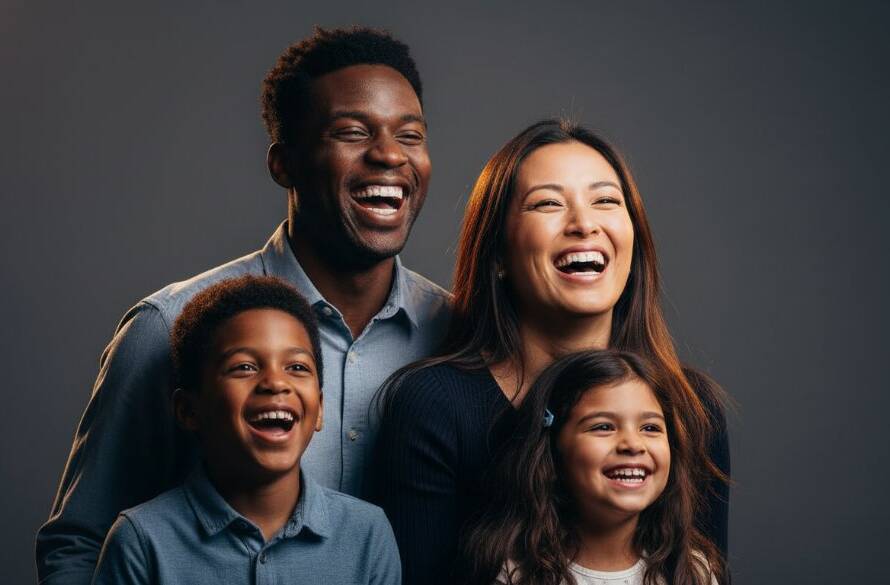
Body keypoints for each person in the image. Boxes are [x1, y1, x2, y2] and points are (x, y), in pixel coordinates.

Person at [37, 27, 449, 585]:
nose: (389, 154)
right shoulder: (169, 329)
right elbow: (79, 545)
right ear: (284, 164)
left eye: (410, 135)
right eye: (352, 132)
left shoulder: (461, 333)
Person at [370, 119, 729, 585]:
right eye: (548, 204)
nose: (584, 224)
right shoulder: (435, 406)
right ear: (498, 254)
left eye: (605, 201)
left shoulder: (691, 410)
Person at [92, 275, 401, 585]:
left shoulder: (367, 535)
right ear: (188, 410)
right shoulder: (141, 541)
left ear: (319, 408)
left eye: (296, 367)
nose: (276, 383)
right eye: (244, 367)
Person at [458, 349, 725, 585]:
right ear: (553, 448)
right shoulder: (515, 575)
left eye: (650, 428)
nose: (633, 444)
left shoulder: (692, 572)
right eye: (603, 426)